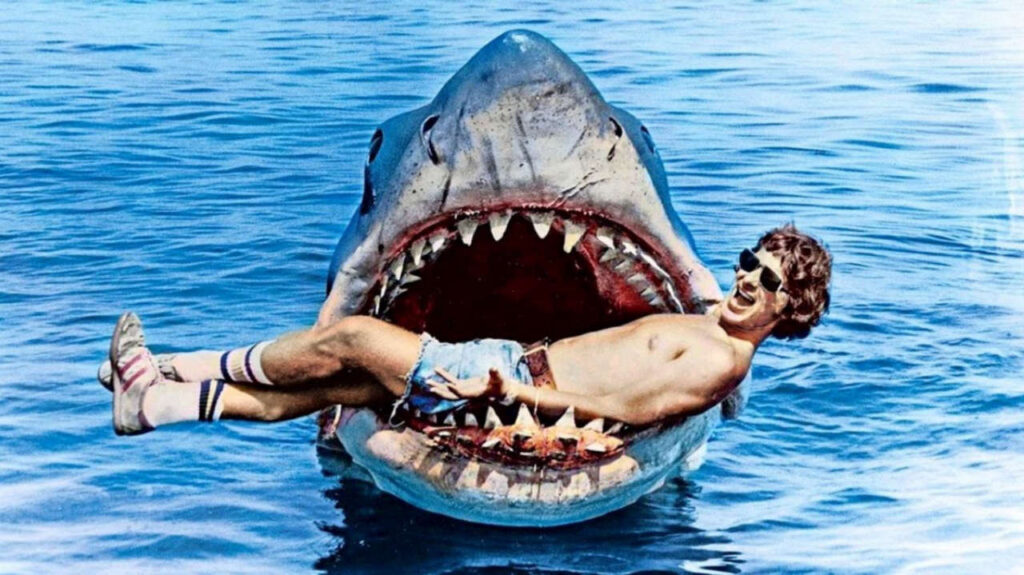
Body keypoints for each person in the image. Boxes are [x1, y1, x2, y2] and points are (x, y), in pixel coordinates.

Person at [101, 224, 831, 436]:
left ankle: (178, 366)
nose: (746, 279)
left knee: (351, 341)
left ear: (789, 310)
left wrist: (510, 391)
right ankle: (157, 399)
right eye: (748, 261)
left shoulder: (723, 362)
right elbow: (701, 283)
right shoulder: (715, 320)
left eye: (767, 281)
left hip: (507, 380)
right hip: (509, 364)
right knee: (332, 390)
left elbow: (625, 409)